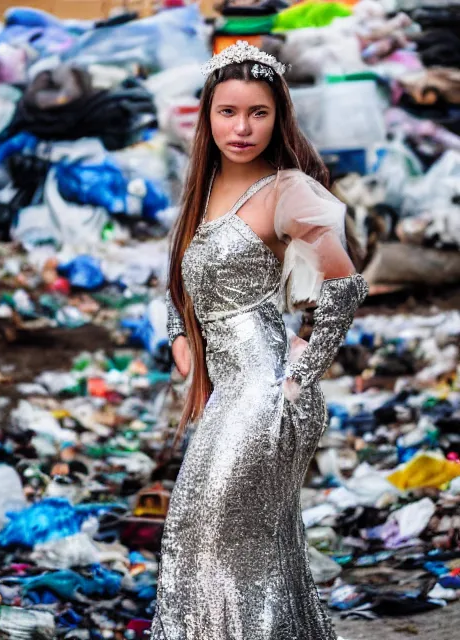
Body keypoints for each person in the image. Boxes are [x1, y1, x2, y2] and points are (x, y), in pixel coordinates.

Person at [148, 41, 369, 640]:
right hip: (229, 399)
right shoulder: (205, 187)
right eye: (228, 112)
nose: (242, 128)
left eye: (258, 113)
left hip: (268, 398)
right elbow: (179, 284)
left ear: (278, 118)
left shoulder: (287, 190)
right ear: (208, 115)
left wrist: (301, 375)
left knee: (210, 541)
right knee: (228, 553)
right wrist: (180, 340)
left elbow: (344, 287)